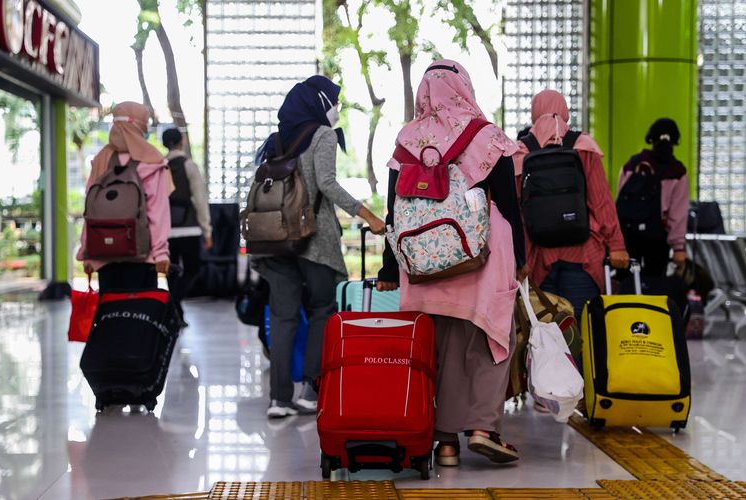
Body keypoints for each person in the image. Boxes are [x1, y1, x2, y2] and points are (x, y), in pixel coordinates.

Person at [377, 60, 527, 467]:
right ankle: (481, 426)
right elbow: (508, 206)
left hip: (423, 260)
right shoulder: (486, 136)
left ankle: (443, 443)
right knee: (490, 340)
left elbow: (394, 212)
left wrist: (392, 269)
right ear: (464, 87)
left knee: (437, 349)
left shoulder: (407, 141)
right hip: (480, 255)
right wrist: (522, 259)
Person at [252, 75, 385, 419]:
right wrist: (368, 214)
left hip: (273, 240)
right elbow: (326, 183)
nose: (337, 109)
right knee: (323, 308)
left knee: (282, 318)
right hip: (313, 240)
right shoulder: (322, 135)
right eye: (334, 101)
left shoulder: (275, 140)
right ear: (321, 103)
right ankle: (311, 390)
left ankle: (279, 400)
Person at [513, 90, 630, 317]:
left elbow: (515, 212)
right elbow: (601, 202)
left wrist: (517, 258)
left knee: (548, 337)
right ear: (565, 111)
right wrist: (617, 245)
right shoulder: (583, 146)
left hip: (538, 258)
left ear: (534, 113)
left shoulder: (521, 152)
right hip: (583, 254)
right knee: (581, 333)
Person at [78, 101, 172, 292]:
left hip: (103, 254)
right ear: (141, 126)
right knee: (138, 316)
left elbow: (90, 209)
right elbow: (158, 212)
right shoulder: (152, 161)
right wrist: (161, 254)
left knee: (112, 315)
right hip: (141, 255)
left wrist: (86, 253)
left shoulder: (101, 160)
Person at [617, 118, 689, 276]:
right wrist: (678, 248)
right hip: (657, 238)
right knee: (655, 288)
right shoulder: (677, 171)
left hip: (627, 236)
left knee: (626, 286)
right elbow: (678, 215)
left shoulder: (632, 165)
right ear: (675, 141)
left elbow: (620, 201)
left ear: (651, 139)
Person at [162, 127, 213, 326]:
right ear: (181, 141)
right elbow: (200, 199)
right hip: (189, 228)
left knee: (172, 271)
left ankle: (176, 313)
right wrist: (207, 230)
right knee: (193, 269)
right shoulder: (189, 165)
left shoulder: (161, 166)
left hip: (167, 229)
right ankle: (174, 304)